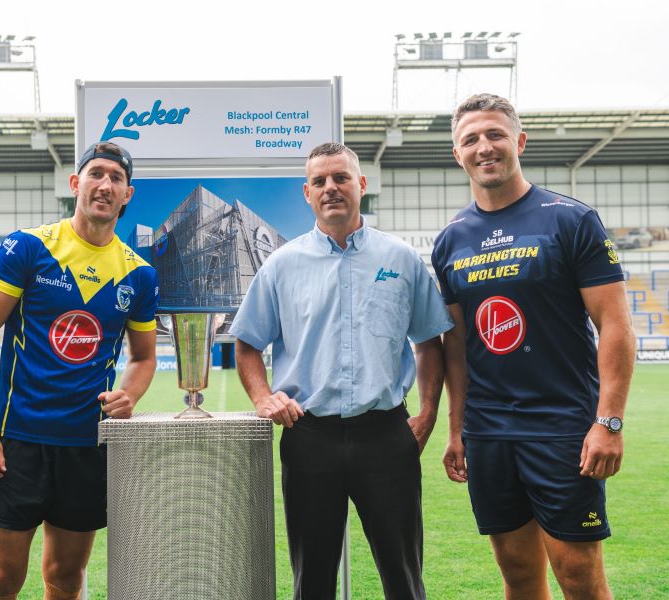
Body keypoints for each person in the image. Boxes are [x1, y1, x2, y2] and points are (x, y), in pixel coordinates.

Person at [432, 93, 635, 600]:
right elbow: (456, 347)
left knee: (578, 575)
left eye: (495, 134)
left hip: (562, 428)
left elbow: (614, 325)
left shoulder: (569, 220)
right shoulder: (450, 241)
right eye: (470, 139)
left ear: (519, 141)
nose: (484, 147)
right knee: (518, 575)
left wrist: (608, 422)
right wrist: (457, 430)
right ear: (457, 154)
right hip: (489, 433)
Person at [231, 142, 453, 600]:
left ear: (361, 185)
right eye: (320, 181)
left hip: (387, 436)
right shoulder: (281, 265)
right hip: (310, 437)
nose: (331, 188)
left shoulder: (401, 259)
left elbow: (430, 341)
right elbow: (248, 344)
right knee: (311, 581)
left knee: (404, 578)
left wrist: (428, 412)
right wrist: (262, 398)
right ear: (307, 193)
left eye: (341, 178)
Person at [0, 141, 158, 600]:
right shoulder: (29, 248)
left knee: (66, 577)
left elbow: (144, 357)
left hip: (86, 446)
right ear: (76, 184)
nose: (105, 185)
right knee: (1, 580)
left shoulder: (139, 274)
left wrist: (129, 394)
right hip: (16, 444)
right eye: (96, 174)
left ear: (128, 193)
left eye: (115, 178)